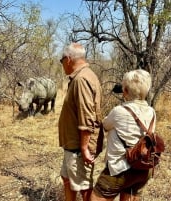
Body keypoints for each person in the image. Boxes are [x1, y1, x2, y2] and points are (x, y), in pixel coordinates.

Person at [90, 69, 154, 201]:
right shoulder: (152, 112)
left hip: (119, 169)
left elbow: (106, 125)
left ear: (125, 91)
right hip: (142, 169)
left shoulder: (119, 111)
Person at [58, 42, 102, 201]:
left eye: (61, 60)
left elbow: (86, 116)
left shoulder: (81, 79)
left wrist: (84, 148)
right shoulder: (82, 76)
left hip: (78, 147)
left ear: (68, 59)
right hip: (73, 145)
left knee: (84, 188)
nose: (62, 64)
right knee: (67, 178)